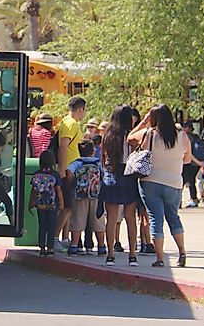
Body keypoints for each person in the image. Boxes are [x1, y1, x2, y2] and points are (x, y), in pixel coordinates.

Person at [128, 104, 190, 268]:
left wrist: (144, 122)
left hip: (150, 181)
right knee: (173, 217)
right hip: (174, 182)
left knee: (155, 219)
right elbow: (188, 159)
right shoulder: (182, 136)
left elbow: (130, 137)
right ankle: (182, 252)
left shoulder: (149, 134)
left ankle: (160, 258)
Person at [99, 105, 139, 266]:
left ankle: (110, 255)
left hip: (111, 173)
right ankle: (132, 255)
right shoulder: (130, 137)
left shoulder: (108, 136)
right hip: (128, 174)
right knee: (131, 218)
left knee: (111, 218)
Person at [54, 96, 87, 250]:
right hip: (68, 170)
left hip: (70, 169)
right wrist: (62, 169)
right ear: (80, 109)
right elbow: (63, 147)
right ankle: (54, 237)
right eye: (84, 110)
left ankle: (65, 237)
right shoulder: (70, 124)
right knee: (66, 206)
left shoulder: (66, 123)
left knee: (69, 206)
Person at [66, 139, 106, 256]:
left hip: (80, 195)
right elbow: (103, 174)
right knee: (98, 221)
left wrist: (72, 182)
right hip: (95, 195)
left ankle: (74, 246)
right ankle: (101, 246)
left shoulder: (78, 162)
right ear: (93, 151)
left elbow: (68, 171)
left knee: (78, 219)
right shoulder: (97, 163)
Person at [28, 150, 64, 256]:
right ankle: (50, 248)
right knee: (51, 226)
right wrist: (61, 204)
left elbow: (33, 191)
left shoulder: (36, 174)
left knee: (42, 225)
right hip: (52, 205)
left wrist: (30, 203)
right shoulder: (55, 175)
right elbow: (58, 191)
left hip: (40, 205)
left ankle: (42, 247)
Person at [181, 121, 204, 207]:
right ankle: (194, 200)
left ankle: (179, 202)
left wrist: (197, 161)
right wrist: (199, 163)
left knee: (182, 182)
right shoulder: (195, 137)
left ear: (187, 128)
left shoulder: (186, 138)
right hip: (195, 164)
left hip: (188, 162)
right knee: (191, 181)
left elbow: (188, 152)